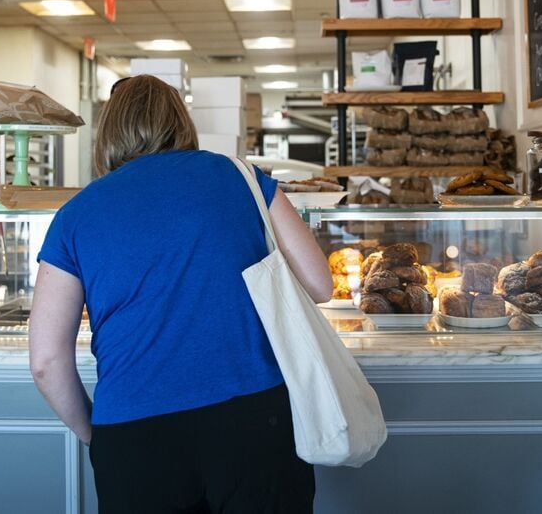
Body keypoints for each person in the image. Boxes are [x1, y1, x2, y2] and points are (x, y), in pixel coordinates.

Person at [29, 75, 332, 514]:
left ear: (107, 133)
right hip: (254, 420)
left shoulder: (74, 215)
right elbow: (320, 284)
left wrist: (97, 433)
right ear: (181, 122)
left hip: (134, 433)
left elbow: (45, 361)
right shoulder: (240, 177)